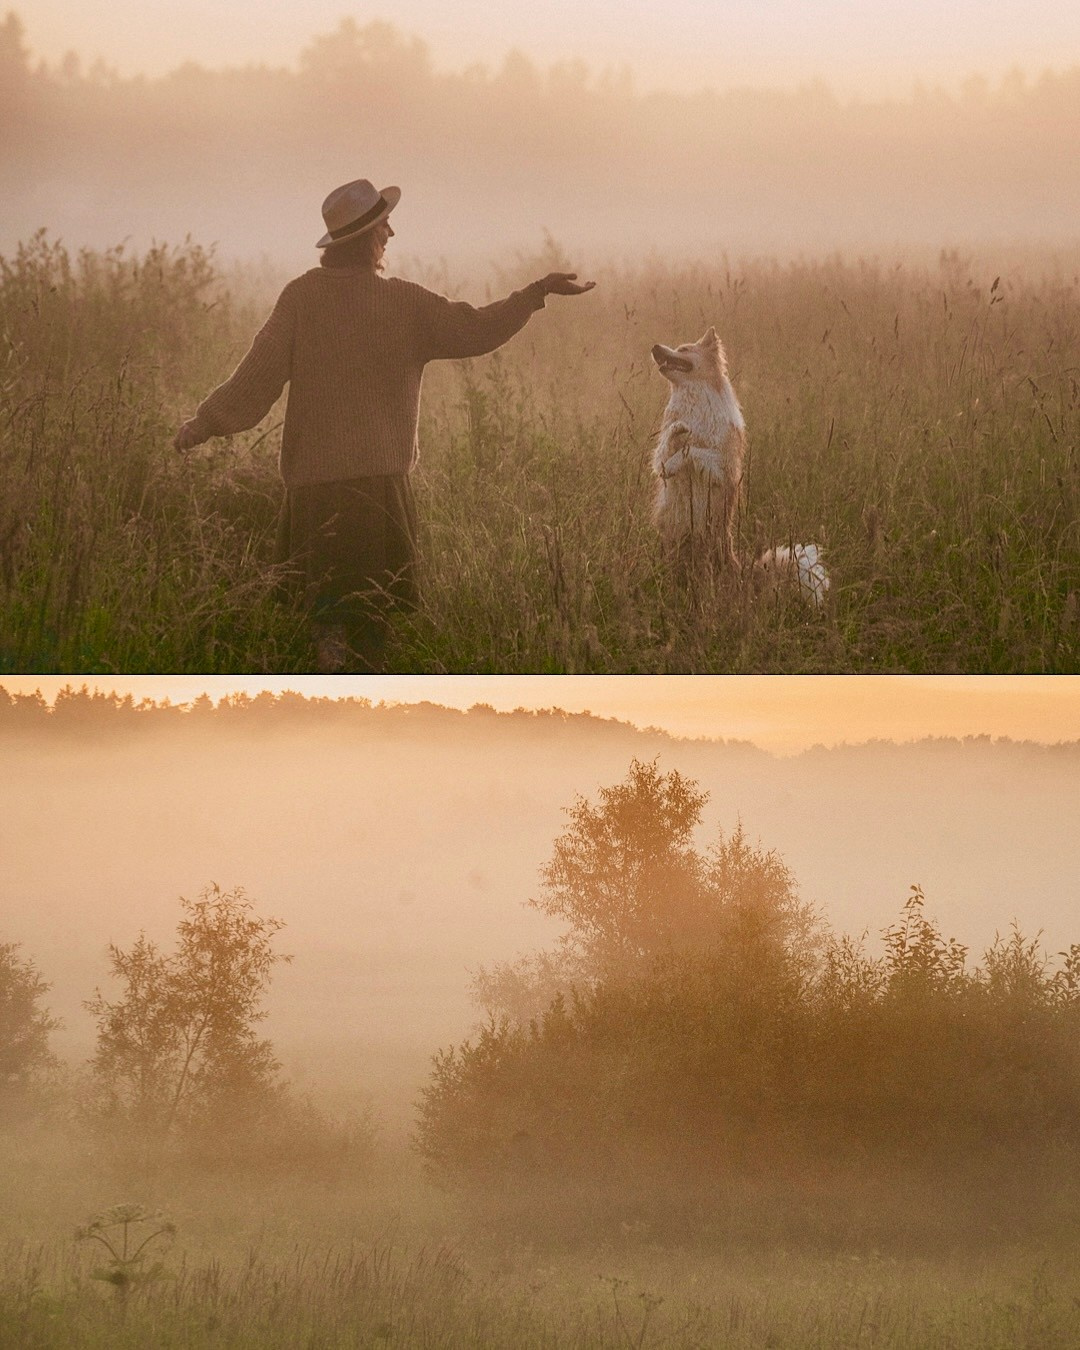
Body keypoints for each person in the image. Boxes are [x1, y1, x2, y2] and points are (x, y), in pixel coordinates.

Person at [173, 177, 595, 672]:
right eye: (383, 225)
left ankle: (332, 694)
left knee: (328, 620)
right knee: (373, 621)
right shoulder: (403, 303)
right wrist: (536, 291)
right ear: (367, 239)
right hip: (378, 492)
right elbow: (478, 328)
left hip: (317, 493)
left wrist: (203, 424)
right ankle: (364, 702)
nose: (391, 234)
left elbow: (255, 378)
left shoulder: (302, 296)